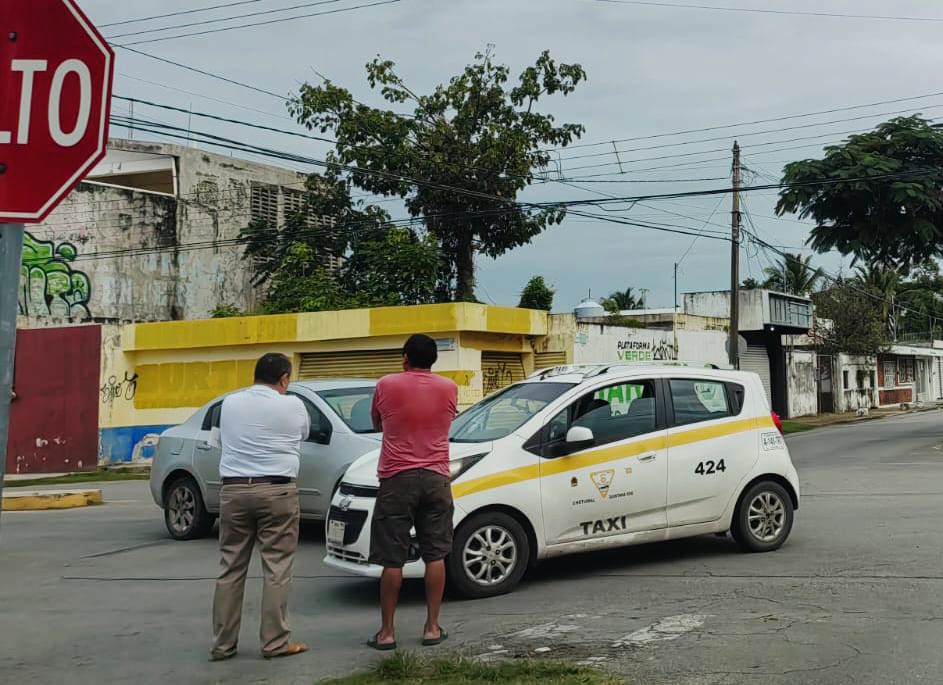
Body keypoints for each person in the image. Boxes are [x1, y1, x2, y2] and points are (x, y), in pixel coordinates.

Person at [210, 353, 311, 662]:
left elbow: (220, 439)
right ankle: (275, 642)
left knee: (230, 568)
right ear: (284, 378)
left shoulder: (229, 403)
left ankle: (223, 645)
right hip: (277, 491)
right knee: (277, 568)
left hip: (234, 490)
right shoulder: (293, 405)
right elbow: (304, 433)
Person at [367, 334, 458, 650]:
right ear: (434, 359)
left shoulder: (386, 384)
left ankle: (387, 633)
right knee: (436, 554)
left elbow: (377, 423)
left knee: (392, 558)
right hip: (436, 477)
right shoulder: (449, 387)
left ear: (405, 357)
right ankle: (432, 627)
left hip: (397, 478)